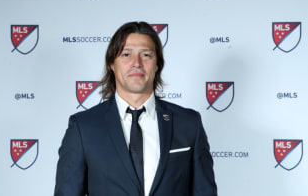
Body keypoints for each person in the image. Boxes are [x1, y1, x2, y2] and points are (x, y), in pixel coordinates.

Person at [54, 21, 217, 196]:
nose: (136, 63)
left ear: (157, 64)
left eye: (146, 55)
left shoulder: (189, 123)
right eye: (126, 54)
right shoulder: (83, 127)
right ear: (111, 63)